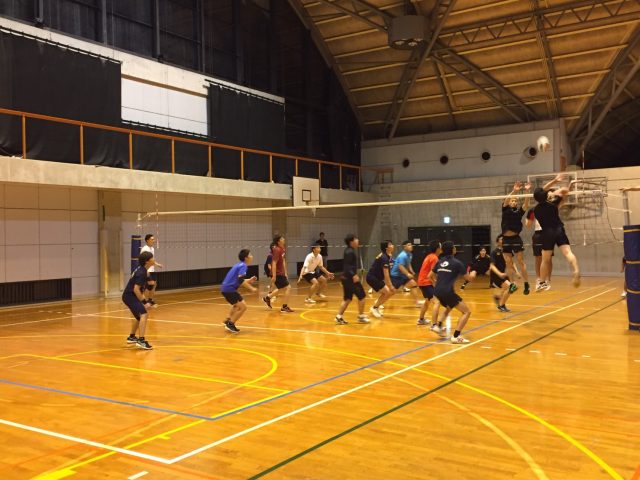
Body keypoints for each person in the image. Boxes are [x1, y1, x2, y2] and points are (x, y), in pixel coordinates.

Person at [533, 174, 581, 289]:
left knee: (545, 260)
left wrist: (552, 190)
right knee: (568, 253)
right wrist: (558, 188)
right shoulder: (554, 204)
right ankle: (576, 269)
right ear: (546, 195)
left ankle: (542, 282)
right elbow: (565, 192)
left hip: (547, 233)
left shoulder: (536, 210)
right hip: (559, 230)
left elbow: (543, 192)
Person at [428, 241, 473, 344]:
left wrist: (437, 284)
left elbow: (430, 276)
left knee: (449, 306)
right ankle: (456, 336)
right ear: (453, 250)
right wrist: (473, 272)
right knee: (466, 312)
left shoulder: (440, 261)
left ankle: (438, 325)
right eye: (454, 247)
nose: (455, 248)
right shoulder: (457, 263)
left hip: (437, 291)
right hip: (447, 292)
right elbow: (468, 278)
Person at [501, 182, 531, 295]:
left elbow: (526, 205)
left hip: (516, 239)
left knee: (520, 261)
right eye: (512, 200)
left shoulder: (518, 212)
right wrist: (515, 190)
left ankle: (526, 283)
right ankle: (512, 283)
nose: (513, 202)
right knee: (508, 263)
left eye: (515, 201)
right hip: (505, 240)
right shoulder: (505, 209)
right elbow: (506, 200)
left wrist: (527, 191)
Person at [123, 251, 155, 350]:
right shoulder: (141, 272)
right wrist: (145, 302)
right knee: (144, 314)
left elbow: (149, 281)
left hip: (130, 296)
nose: (154, 259)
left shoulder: (143, 270)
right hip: (130, 296)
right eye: (152, 258)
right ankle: (141, 340)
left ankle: (132, 337)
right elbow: (136, 289)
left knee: (139, 317)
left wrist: (150, 281)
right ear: (147, 261)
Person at [220, 249, 258, 333]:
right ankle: (230, 324)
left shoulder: (238, 265)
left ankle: (228, 320)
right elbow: (240, 280)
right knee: (243, 307)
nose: (252, 256)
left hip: (226, 288)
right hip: (229, 289)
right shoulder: (243, 266)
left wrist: (249, 280)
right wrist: (251, 288)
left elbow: (237, 280)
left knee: (237, 305)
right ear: (246, 258)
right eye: (250, 255)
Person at [335, 234, 369, 325]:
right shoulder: (350, 252)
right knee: (362, 296)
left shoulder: (349, 250)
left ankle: (338, 317)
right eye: (356, 239)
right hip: (350, 279)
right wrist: (354, 275)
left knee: (347, 298)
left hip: (346, 278)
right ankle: (361, 316)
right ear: (351, 242)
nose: (358, 241)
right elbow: (347, 266)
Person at [262, 235, 294, 313]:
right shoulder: (276, 250)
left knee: (281, 288)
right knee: (288, 288)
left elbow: (283, 261)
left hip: (281, 272)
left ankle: (267, 298)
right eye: (282, 238)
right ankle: (284, 307)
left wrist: (285, 272)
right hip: (277, 273)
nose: (284, 239)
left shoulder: (282, 249)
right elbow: (274, 263)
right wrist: (274, 275)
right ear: (278, 241)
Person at [366, 241, 396, 318]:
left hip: (377, 278)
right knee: (388, 292)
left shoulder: (387, 256)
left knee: (388, 292)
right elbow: (386, 274)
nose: (392, 245)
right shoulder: (384, 258)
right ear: (386, 248)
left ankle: (376, 305)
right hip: (372, 278)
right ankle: (374, 308)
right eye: (390, 245)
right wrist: (390, 285)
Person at [525, 208, 553, 290]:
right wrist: (528, 218)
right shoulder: (534, 210)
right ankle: (538, 279)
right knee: (538, 257)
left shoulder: (551, 208)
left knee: (548, 258)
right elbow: (528, 225)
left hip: (548, 233)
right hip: (538, 234)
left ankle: (547, 280)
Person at [390, 240, 423, 307]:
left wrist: (412, 271)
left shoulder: (410, 254)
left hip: (402, 275)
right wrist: (407, 274)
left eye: (411, 245)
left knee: (413, 284)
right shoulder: (402, 255)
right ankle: (378, 303)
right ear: (404, 247)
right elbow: (400, 266)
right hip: (396, 276)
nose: (411, 246)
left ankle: (417, 303)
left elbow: (408, 263)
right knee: (391, 291)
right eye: (409, 245)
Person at [490, 235, 518, 312]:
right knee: (511, 287)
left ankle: (498, 297)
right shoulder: (494, 252)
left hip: (503, 274)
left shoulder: (508, 251)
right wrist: (499, 274)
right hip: (496, 274)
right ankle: (501, 305)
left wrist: (517, 272)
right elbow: (492, 266)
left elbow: (511, 262)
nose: (503, 240)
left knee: (512, 287)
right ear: (497, 242)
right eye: (501, 239)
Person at [416, 240, 441, 327]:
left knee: (428, 301)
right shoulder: (434, 258)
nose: (441, 248)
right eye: (440, 247)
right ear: (437, 248)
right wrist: (435, 283)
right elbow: (433, 273)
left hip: (422, 281)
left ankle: (421, 319)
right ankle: (434, 325)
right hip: (426, 282)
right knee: (437, 302)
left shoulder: (429, 256)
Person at [141, 234, 164, 307]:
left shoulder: (152, 249)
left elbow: (152, 260)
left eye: (154, 239)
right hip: (147, 269)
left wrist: (157, 264)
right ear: (147, 240)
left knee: (154, 285)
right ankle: (144, 302)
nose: (153, 241)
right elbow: (143, 261)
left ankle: (150, 300)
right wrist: (145, 270)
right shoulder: (145, 249)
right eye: (152, 239)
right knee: (150, 284)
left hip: (152, 269)